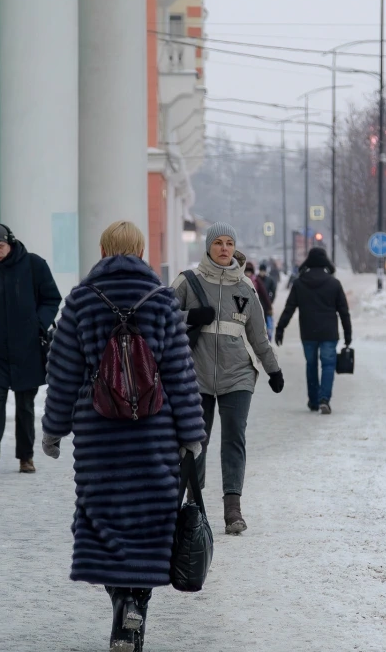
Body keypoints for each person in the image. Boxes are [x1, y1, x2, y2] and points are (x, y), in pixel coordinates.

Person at [40, 221, 206, 652]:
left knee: (105, 521)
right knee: (151, 525)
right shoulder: (162, 300)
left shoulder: (80, 301)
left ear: (103, 250)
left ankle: (121, 603)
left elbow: (62, 374)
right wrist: (190, 433)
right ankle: (135, 608)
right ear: (139, 250)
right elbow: (180, 375)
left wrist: (54, 429)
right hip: (155, 435)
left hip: (100, 438)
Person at [171, 222, 283, 536]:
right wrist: (189, 317)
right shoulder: (187, 281)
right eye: (218, 243)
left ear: (235, 248)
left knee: (234, 439)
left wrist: (273, 369)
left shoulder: (245, 288)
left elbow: (258, 337)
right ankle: (194, 504)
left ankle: (233, 508)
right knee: (195, 442)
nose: (223, 248)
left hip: (238, 376)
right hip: (195, 375)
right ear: (208, 247)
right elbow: (159, 315)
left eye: (229, 243)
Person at [0, 223, 61, 477]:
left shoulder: (33, 265)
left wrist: (38, 325)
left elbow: (51, 298)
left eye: (1, 246)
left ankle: (26, 457)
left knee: (25, 403)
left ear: (11, 242)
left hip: (27, 347)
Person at [274, 247, 352, 415]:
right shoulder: (334, 283)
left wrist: (280, 328)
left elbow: (289, 308)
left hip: (308, 332)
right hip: (329, 333)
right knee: (328, 365)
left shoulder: (300, 283)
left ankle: (314, 401)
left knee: (311, 365)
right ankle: (325, 399)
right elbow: (343, 311)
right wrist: (348, 333)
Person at [246, 262, 274, 341]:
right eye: (246, 271)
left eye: (249, 272)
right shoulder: (241, 280)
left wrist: (269, 306)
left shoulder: (256, 280)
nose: (248, 273)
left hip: (258, 307)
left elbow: (265, 294)